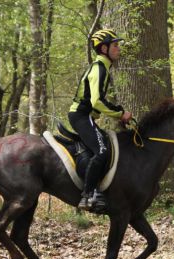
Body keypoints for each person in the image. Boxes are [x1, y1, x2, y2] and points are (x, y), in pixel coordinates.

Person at [68, 29, 132, 211]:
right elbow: (96, 101)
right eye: (115, 45)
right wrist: (120, 114)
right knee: (103, 151)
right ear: (104, 48)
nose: (119, 49)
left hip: (84, 116)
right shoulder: (99, 69)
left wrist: (118, 111)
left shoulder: (102, 67)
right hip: (81, 115)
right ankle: (88, 196)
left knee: (104, 147)